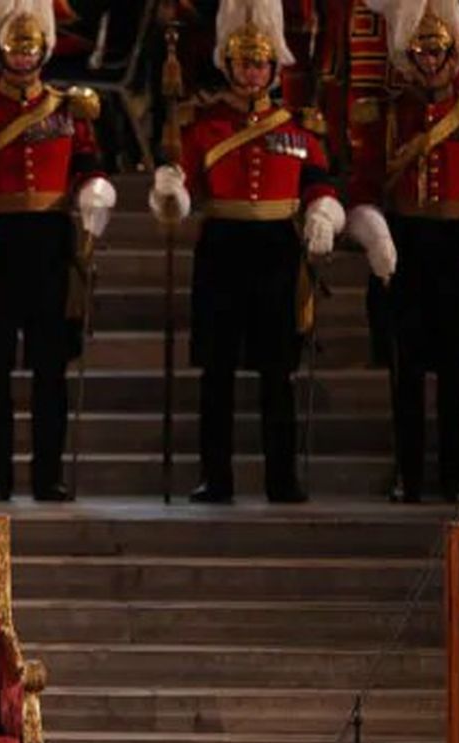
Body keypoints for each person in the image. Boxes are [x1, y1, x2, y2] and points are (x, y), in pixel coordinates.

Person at [148, 0, 345, 504]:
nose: (252, 71)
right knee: (217, 373)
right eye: (243, 62)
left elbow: (319, 182)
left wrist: (322, 213)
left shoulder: (300, 126)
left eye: (259, 63)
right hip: (223, 248)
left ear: (273, 66)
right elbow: (184, 182)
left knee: (277, 373)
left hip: (277, 250)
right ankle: (216, 478)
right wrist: (171, 190)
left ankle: (282, 479)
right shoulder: (201, 122)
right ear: (228, 63)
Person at [0, 0, 115, 502]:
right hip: (0, 242)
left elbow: (87, 164)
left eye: (30, 47)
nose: (22, 57)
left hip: (51, 243)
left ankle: (48, 474)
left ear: (44, 50)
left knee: (50, 369)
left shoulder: (66, 108)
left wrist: (93, 194)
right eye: (14, 48)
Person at [346, 0, 459, 502]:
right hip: (405, 244)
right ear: (408, 55)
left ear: (453, 52)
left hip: (455, 247)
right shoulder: (389, 115)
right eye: (421, 51)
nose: (430, 60)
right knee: (407, 367)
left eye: (438, 51)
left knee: (457, 366)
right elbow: (365, 184)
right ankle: (409, 474)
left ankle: (456, 471)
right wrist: (373, 233)